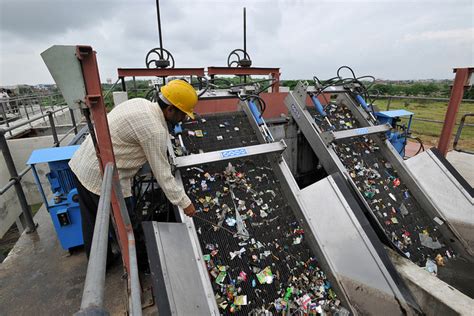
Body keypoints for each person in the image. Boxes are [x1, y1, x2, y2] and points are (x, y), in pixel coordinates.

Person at [69, 79, 197, 266]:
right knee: (126, 226)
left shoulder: (140, 103)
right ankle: (140, 267)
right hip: (102, 178)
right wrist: (185, 203)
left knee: (92, 223)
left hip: (83, 165)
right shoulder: (155, 130)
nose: (184, 120)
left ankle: (101, 264)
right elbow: (163, 175)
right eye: (183, 115)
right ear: (170, 110)